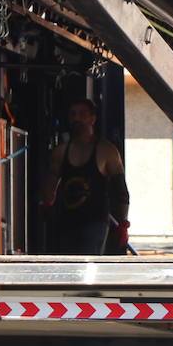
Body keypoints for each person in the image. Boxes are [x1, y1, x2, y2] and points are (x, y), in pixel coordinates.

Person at [41, 98, 130, 255]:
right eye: (73, 114)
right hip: (67, 222)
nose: (77, 118)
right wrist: (47, 209)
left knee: (88, 266)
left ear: (92, 119)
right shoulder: (61, 152)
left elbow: (121, 191)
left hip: (95, 223)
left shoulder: (107, 151)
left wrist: (123, 225)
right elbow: (50, 186)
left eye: (82, 114)